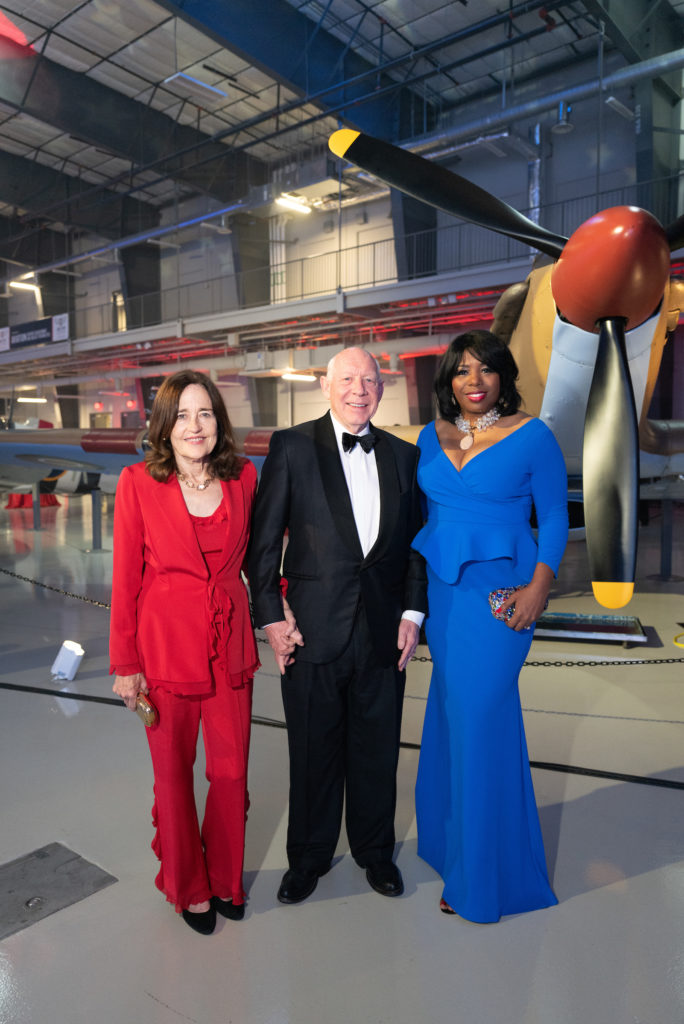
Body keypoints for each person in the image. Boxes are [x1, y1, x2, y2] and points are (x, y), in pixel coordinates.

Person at [248, 347, 427, 904]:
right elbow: (261, 546)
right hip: (311, 633)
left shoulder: (403, 455)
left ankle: (375, 854)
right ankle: (308, 857)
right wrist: (272, 619)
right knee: (312, 752)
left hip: (381, 634)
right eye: (347, 378)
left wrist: (412, 613)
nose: (358, 389)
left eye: (369, 380)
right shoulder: (293, 446)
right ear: (326, 386)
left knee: (377, 752)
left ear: (381, 388)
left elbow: (415, 547)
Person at [412, 329, 568, 923]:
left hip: (503, 598)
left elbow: (553, 513)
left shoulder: (533, 435)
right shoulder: (430, 437)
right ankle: (453, 849)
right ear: (447, 381)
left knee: (478, 723)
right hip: (445, 599)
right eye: (461, 370)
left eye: (485, 369)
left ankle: (482, 880)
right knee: (452, 720)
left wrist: (539, 588)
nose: (473, 380)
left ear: (503, 376)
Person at [109, 370, 259, 936]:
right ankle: (189, 886)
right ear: (163, 426)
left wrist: (281, 607)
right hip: (165, 648)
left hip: (230, 645)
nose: (195, 426)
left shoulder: (243, 476)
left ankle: (225, 879)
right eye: (183, 416)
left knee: (230, 771)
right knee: (173, 774)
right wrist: (126, 665)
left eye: (206, 414)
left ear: (219, 421)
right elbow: (125, 580)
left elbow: (261, 558)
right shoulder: (138, 482)